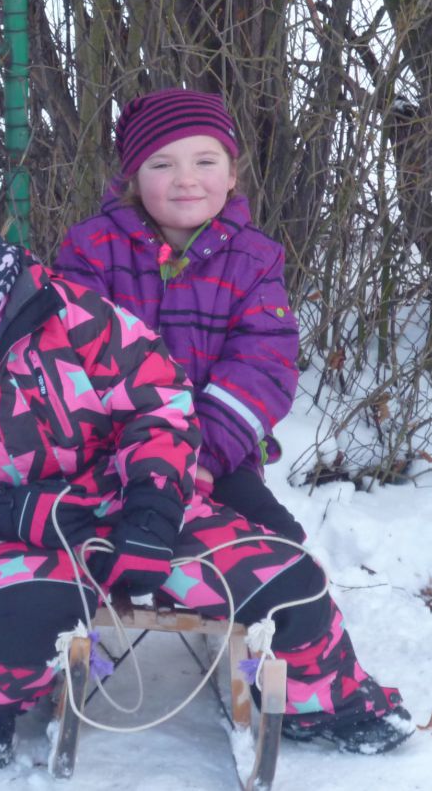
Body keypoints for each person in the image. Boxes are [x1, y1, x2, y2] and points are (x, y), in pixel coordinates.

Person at [0, 148, 411, 773]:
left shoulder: (67, 311)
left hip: (136, 502)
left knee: (288, 584)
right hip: (26, 529)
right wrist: (4, 512)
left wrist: (152, 501)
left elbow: (159, 401)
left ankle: (324, 703)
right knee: (14, 622)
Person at [56, 87, 306, 543]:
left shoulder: (255, 259)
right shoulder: (92, 250)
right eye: (162, 164)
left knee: (282, 547)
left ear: (232, 174)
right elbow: (71, 357)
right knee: (115, 545)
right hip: (113, 454)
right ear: (133, 180)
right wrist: (147, 456)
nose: (186, 179)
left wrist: (200, 455)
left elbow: (264, 364)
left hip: (217, 453)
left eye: (205, 162)